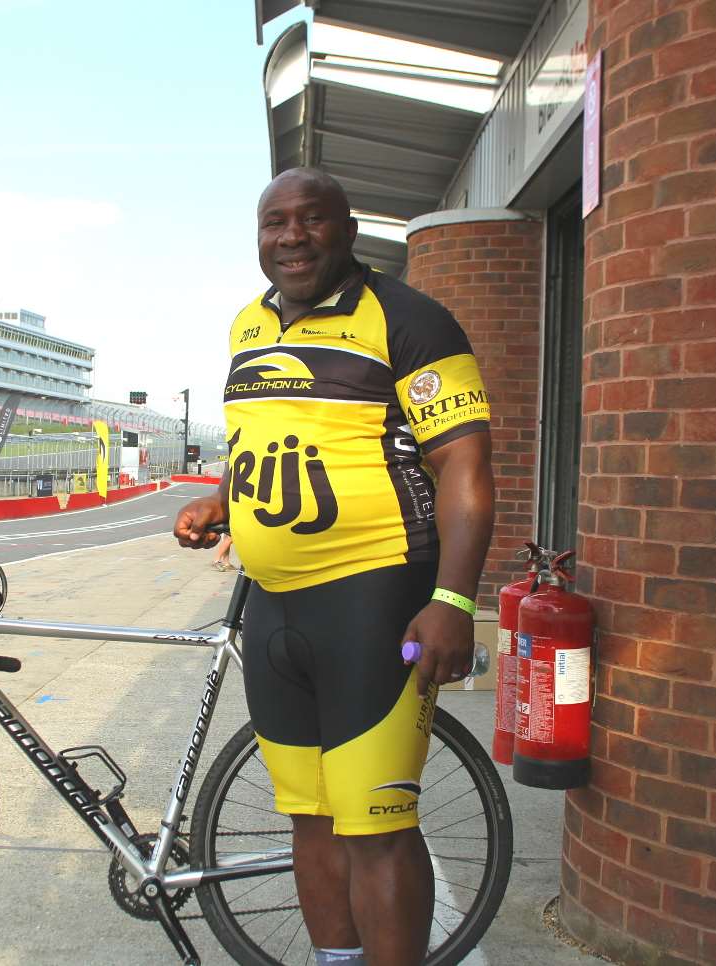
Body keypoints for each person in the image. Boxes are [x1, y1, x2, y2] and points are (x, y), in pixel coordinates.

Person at [174, 168, 494, 966]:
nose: (290, 236)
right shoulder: (249, 325)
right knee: (308, 818)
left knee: (376, 827)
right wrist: (222, 499)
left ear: (346, 228)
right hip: (274, 607)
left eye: (310, 220)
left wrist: (452, 598)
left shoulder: (411, 319)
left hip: (373, 599)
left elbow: (464, 466)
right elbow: (266, 431)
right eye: (272, 222)